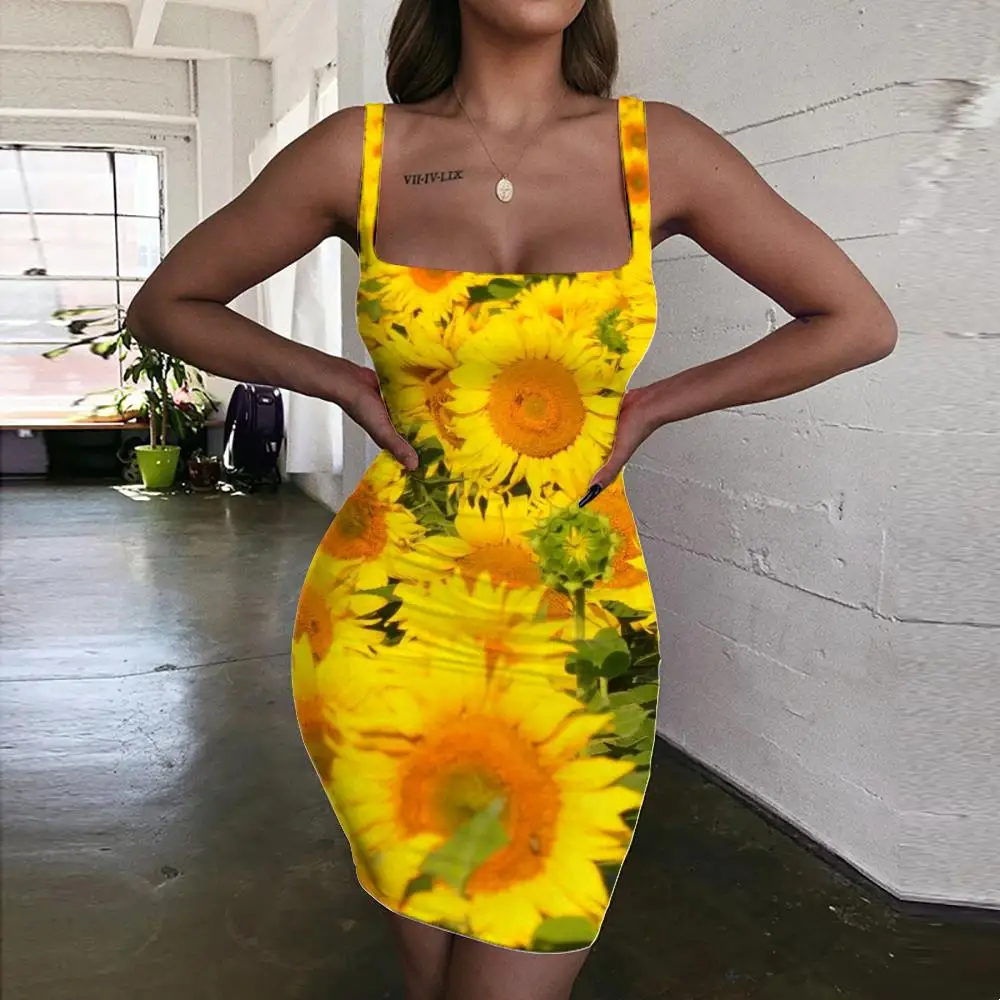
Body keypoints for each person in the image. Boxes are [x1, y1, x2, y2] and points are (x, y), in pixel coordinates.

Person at [125, 2, 898, 998]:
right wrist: (344, 382)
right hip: (387, 621)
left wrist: (656, 405)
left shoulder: (659, 150)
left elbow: (856, 320)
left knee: (524, 953)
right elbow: (167, 303)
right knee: (433, 961)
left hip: (577, 630)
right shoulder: (358, 153)